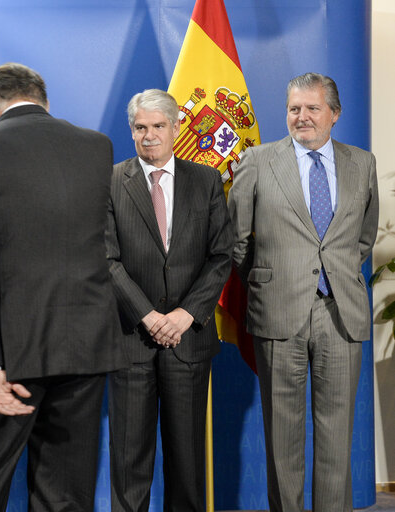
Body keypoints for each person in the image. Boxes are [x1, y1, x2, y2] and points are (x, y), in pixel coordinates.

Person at [0, 62, 125, 511]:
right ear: (43, 98)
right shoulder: (95, 146)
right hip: (85, 346)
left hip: (9, 356)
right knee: (66, 493)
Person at [228, 72, 379, 512]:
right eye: (295, 108)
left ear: (334, 114)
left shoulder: (362, 163)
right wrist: (268, 281)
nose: (302, 117)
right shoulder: (257, 160)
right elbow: (237, 241)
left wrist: (337, 274)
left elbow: (362, 240)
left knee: (337, 435)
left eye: (313, 108)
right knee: (283, 437)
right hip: (278, 312)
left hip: (341, 313)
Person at [105, 89, 233, 511]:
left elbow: (221, 255)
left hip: (188, 341)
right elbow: (106, 259)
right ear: (131, 131)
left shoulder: (206, 180)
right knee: (129, 464)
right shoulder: (110, 181)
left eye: (158, 126)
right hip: (131, 342)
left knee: (188, 462)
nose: (149, 136)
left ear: (176, 128)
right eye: (140, 128)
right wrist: (147, 315)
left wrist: (184, 315)